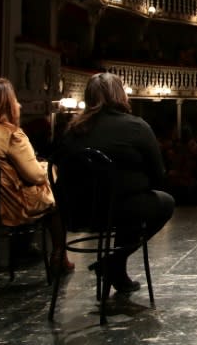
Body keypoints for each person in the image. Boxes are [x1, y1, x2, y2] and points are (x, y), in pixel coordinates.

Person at [57, 72, 175, 293]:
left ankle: (116, 269)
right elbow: (158, 175)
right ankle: (114, 263)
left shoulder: (71, 131)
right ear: (120, 95)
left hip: (77, 212)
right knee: (162, 203)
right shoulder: (136, 127)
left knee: (125, 203)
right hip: (122, 209)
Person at [0, 77, 74, 273]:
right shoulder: (11, 134)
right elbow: (35, 175)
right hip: (8, 207)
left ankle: (24, 249)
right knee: (55, 195)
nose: (18, 104)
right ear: (5, 103)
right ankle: (59, 255)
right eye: (14, 99)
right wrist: (48, 168)